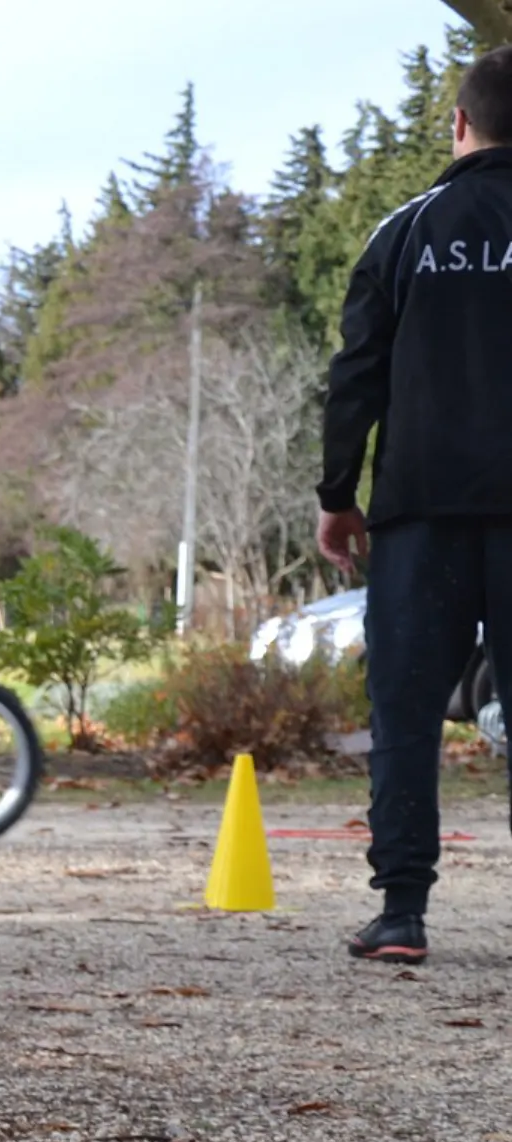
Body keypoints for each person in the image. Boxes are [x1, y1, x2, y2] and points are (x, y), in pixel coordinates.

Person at [315, 45, 512, 966]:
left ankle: (401, 913)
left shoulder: (405, 231)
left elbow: (355, 373)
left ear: (460, 123)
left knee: (406, 707)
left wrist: (337, 494)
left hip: (421, 507)